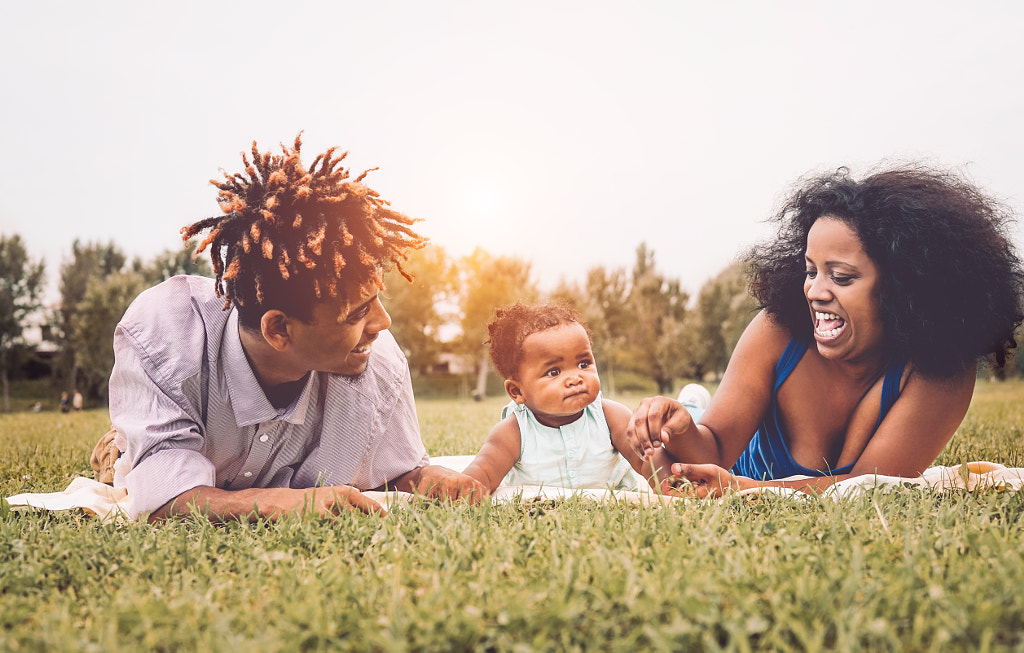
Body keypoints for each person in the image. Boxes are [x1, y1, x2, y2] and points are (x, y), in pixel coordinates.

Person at [106, 134, 485, 522]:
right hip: (169, 418)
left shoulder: (381, 364)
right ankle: (122, 447)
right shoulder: (164, 336)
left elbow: (399, 473)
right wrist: (275, 503)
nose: (382, 323)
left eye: (377, 299)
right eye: (357, 313)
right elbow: (161, 501)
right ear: (279, 330)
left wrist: (428, 478)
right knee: (130, 463)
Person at [627, 164, 1024, 497]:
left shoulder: (942, 368)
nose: (815, 292)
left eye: (841, 277)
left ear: (905, 286)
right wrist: (679, 429)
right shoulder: (778, 332)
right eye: (810, 270)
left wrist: (744, 489)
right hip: (726, 452)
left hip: (743, 479)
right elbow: (710, 450)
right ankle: (691, 404)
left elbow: (867, 489)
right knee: (661, 424)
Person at [462, 301, 646, 492]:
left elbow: (646, 461)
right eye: (554, 372)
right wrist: (463, 488)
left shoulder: (610, 416)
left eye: (583, 364)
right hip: (539, 513)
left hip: (614, 509)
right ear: (517, 391)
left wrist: (667, 478)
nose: (575, 378)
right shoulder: (515, 431)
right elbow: (483, 471)